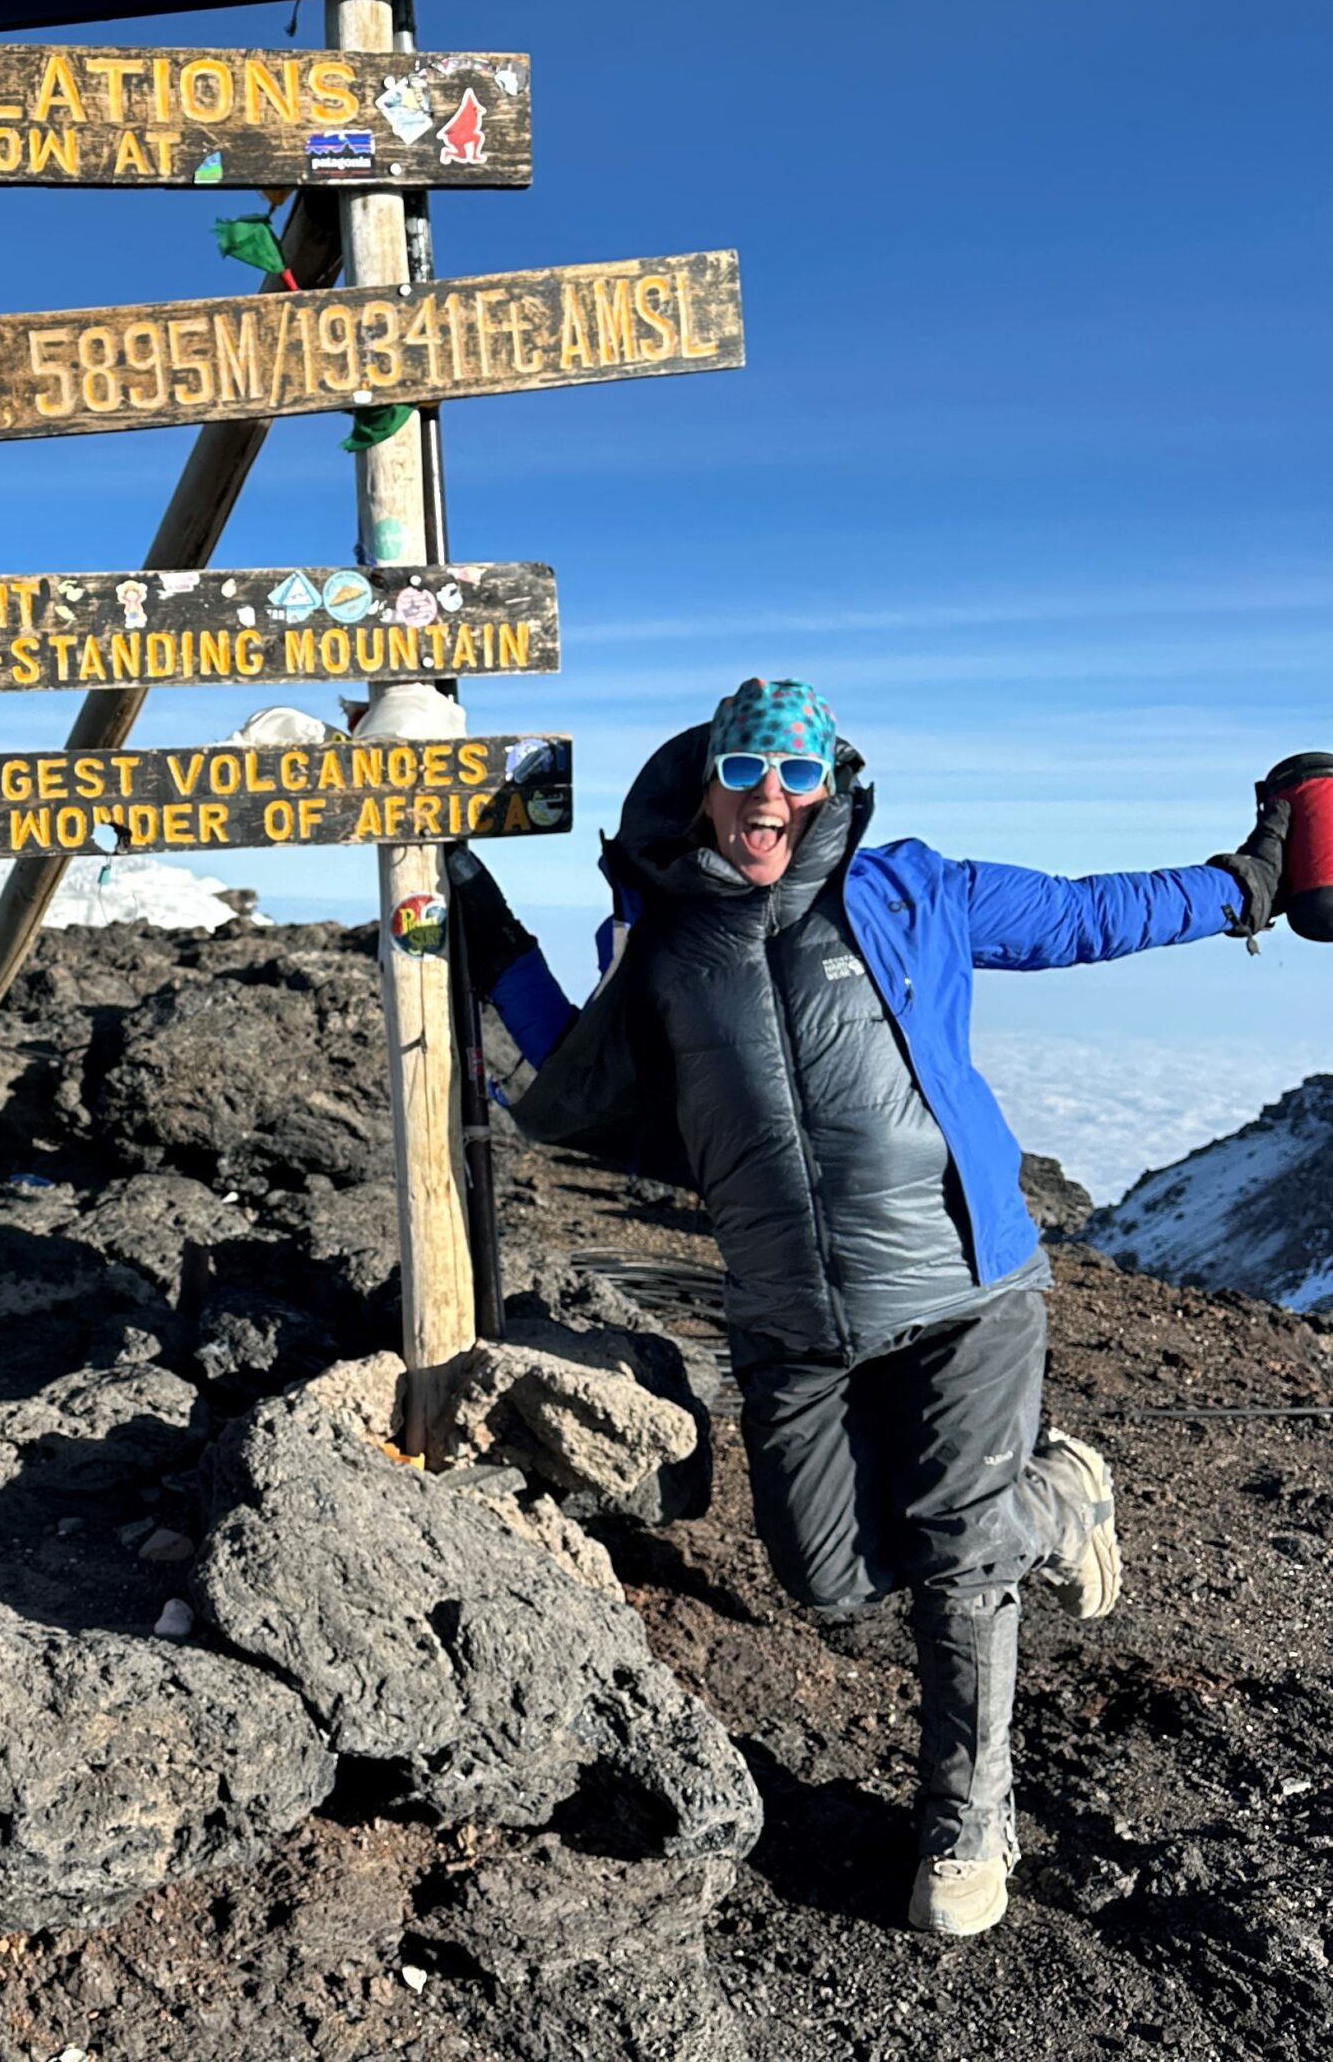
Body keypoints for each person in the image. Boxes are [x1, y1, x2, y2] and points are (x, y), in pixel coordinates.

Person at [448, 677, 1285, 1939]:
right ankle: (1054, 1495)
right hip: (791, 1320)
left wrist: (1249, 878)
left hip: (963, 1288)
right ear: (706, 785)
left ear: (828, 779)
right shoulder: (665, 941)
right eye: (744, 769)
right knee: (828, 1578)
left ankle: (965, 1826)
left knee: (953, 1561)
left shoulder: (909, 888)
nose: (767, 794)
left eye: (793, 769)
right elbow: (565, 1083)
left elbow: (1083, 916)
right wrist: (463, 907)